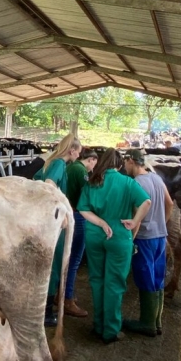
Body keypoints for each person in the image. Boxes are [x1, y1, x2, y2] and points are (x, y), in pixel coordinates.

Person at [77, 148, 151, 344]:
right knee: (115, 284)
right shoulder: (127, 182)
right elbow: (146, 202)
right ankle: (110, 330)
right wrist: (135, 222)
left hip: (94, 236)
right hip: (119, 236)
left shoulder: (93, 182)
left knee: (97, 280)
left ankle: (98, 325)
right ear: (119, 165)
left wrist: (101, 222)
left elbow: (82, 209)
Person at [122, 149, 173, 337]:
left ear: (131, 161)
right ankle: (157, 321)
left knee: (145, 277)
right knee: (158, 277)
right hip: (161, 236)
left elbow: (137, 212)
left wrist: (131, 238)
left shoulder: (136, 183)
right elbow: (170, 204)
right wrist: (162, 223)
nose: (124, 166)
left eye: (125, 162)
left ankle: (147, 323)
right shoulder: (157, 178)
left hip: (144, 238)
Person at [34, 133, 82, 327]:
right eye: (79, 152)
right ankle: (45, 312)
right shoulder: (59, 164)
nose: (79, 156)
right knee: (53, 264)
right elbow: (49, 185)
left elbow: (37, 181)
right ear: (71, 150)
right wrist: (61, 208)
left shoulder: (51, 161)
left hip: (44, 220)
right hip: (53, 222)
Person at [64, 148, 99, 317]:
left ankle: (61, 294)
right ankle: (67, 299)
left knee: (67, 258)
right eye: (94, 162)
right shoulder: (79, 170)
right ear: (91, 159)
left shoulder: (70, 167)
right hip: (78, 215)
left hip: (68, 213)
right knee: (74, 259)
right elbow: (88, 195)